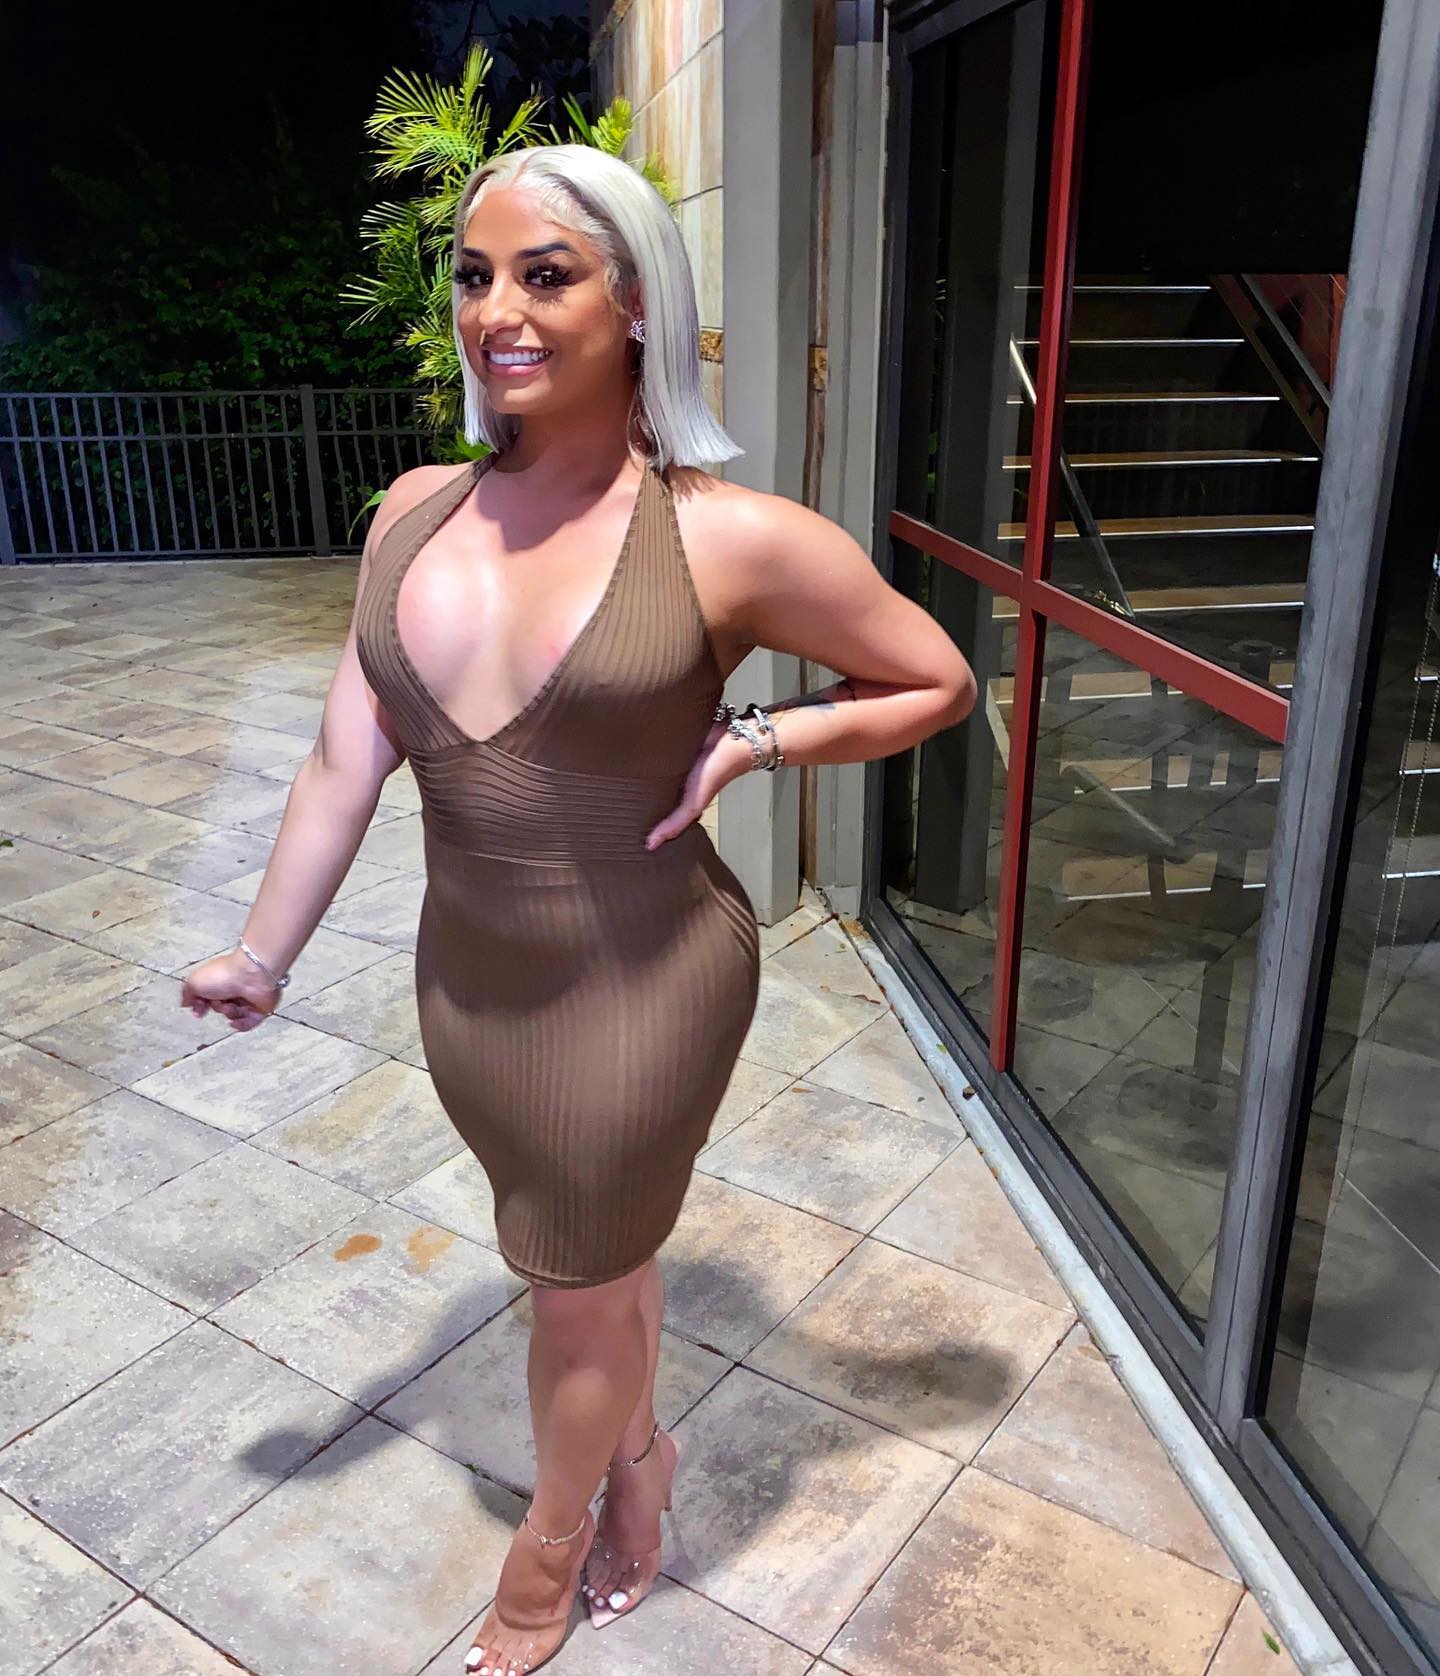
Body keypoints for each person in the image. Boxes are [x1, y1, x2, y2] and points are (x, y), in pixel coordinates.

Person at [179, 142, 975, 1675]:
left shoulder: (725, 537)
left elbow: (933, 678)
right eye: (477, 277)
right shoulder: (412, 513)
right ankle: (645, 1454)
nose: (500, 311)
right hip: (471, 985)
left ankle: (552, 1556)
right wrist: (261, 952)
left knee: (572, 1290)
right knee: (595, 1272)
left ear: (638, 302)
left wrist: (757, 738)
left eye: (546, 275)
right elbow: (345, 759)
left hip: (644, 979)